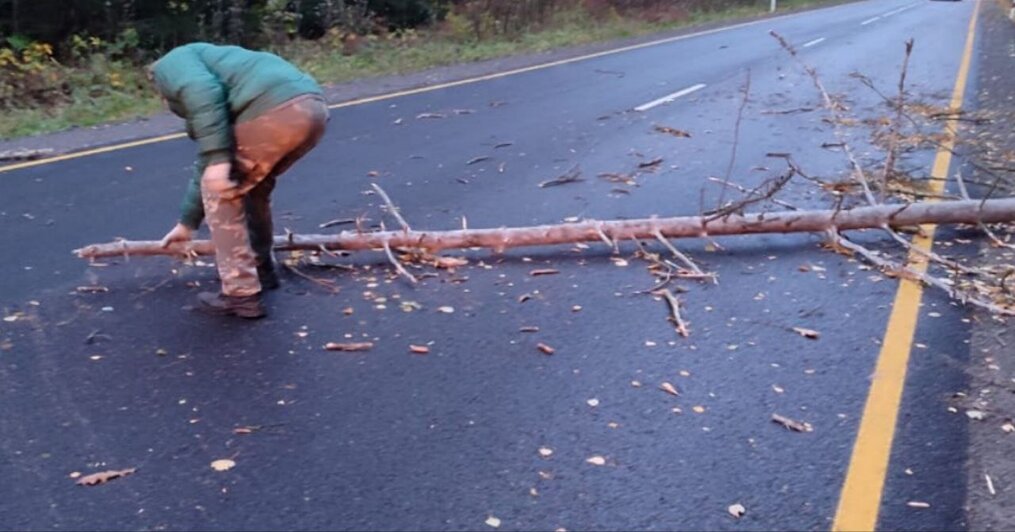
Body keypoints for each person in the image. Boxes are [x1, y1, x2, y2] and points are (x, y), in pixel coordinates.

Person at [151, 43, 329, 319]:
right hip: (311, 109)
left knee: (222, 192)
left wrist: (218, 158)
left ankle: (240, 294)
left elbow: (201, 91)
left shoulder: (169, 65)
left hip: (273, 112)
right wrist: (187, 223)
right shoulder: (227, 67)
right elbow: (208, 160)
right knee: (251, 189)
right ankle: (261, 269)